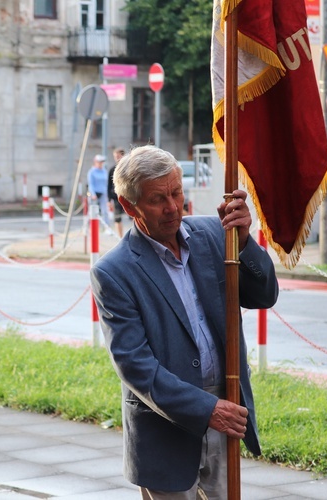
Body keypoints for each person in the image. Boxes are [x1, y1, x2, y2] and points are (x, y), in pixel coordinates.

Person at [90, 145, 278, 500]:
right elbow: (136, 366)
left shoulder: (213, 235)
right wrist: (207, 409)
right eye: (158, 199)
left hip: (228, 407)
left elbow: (264, 295)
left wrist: (244, 241)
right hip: (165, 426)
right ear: (129, 206)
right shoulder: (113, 272)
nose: (173, 207)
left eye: (176, 192)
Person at [87, 153, 110, 228]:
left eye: (102, 162)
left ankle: (106, 227)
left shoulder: (104, 171)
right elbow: (91, 184)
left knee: (105, 211)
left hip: (103, 193)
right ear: (95, 162)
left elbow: (105, 184)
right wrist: (93, 194)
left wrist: (107, 195)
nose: (101, 163)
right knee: (92, 211)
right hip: (94, 193)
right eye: (99, 162)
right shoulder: (91, 172)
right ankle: (89, 226)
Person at [107, 147, 126, 238]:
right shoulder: (112, 169)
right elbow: (109, 185)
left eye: (118, 156)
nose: (116, 158)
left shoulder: (128, 168)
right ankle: (120, 237)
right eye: (115, 156)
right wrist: (108, 200)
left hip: (127, 196)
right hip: (116, 197)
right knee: (117, 218)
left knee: (133, 217)